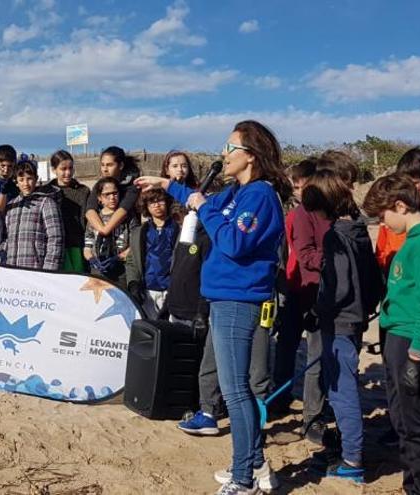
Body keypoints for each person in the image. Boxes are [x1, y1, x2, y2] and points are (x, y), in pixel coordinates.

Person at [136, 120, 289, 494]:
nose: (223, 153)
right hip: (222, 298)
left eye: (230, 147)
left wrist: (205, 207)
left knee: (235, 390)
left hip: (240, 301)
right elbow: (197, 202)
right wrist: (165, 185)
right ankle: (256, 465)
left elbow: (235, 242)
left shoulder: (260, 196)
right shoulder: (236, 192)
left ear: (250, 155)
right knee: (235, 387)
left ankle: (243, 479)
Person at [361, 174, 420, 495]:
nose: (383, 225)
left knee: (419, 427)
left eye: (384, 216)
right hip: (401, 336)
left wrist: (417, 353)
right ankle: (414, 485)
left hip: (414, 342)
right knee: (406, 423)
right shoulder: (415, 242)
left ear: (400, 205)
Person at [302, 169, 383, 482]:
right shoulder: (359, 229)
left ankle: (352, 460)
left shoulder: (337, 235)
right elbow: (373, 282)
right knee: (343, 388)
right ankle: (350, 451)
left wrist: (318, 311)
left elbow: (339, 287)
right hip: (355, 318)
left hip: (340, 323)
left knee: (341, 393)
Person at [271, 158, 331, 445]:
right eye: (294, 187)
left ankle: (312, 415)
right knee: (286, 346)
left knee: (316, 355)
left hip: (321, 292)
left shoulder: (327, 214)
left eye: (301, 185)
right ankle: (280, 398)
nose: (298, 191)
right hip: (296, 288)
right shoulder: (296, 215)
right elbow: (287, 252)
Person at [375, 148, 420, 273]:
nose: (409, 189)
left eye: (415, 183)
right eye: (404, 183)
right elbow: (381, 249)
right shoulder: (394, 208)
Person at [126, 188, 178, 317]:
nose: (156, 205)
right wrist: (133, 283)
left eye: (160, 201)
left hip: (172, 291)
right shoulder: (139, 232)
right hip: (148, 291)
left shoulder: (179, 229)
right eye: (151, 202)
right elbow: (132, 261)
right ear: (146, 206)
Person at [3, 160, 63, 271]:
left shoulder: (46, 203)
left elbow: (55, 238)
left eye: (29, 179)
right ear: (16, 182)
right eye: (21, 180)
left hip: (36, 270)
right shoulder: (11, 206)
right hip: (12, 269)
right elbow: (7, 238)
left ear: (36, 178)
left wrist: (49, 270)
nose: (26, 184)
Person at [84, 177, 135, 285]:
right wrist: (92, 260)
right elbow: (87, 245)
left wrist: (118, 257)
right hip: (98, 271)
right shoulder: (95, 219)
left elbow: (135, 244)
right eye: (107, 194)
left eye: (115, 193)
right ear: (99, 198)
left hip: (122, 270)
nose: (112, 197)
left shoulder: (128, 217)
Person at [47, 150, 90, 273]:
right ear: (54, 170)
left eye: (70, 168)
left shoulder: (83, 191)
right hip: (54, 247)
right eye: (63, 169)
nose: (68, 172)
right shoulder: (46, 192)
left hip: (77, 245)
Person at [85, 146, 141, 239]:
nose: (105, 169)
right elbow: (90, 210)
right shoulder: (100, 185)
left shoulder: (132, 185)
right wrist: (103, 230)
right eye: (102, 165)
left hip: (128, 238)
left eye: (109, 165)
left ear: (121, 166)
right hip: (104, 239)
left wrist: (106, 230)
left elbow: (123, 210)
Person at [0, 144, 19, 211]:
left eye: (10, 166)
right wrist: (4, 193)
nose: (6, 170)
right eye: (2, 166)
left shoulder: (18, 182)